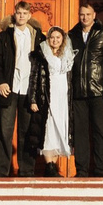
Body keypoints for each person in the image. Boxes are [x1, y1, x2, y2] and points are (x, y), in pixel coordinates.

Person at [0, 1, 43, 178]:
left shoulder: (37, 36)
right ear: (14, 14)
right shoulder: (4, 36)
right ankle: (2, 171)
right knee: (5, 130)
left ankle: (26, 170)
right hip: (9, 89)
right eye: (18, 13)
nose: (21, 16)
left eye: (25, 13)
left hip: (29, 90)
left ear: (29, 15)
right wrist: (1, 82)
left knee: (27, 132)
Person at [67, 3, 103, 177]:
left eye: (88, 14)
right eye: (82, 14)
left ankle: (100, 170)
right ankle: (82, 170)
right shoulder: (72, 35)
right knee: (80, 134)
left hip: (98, 91)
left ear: (94, 15)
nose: (84, 17)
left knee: (101, 132)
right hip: (78, 91)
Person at [37, 26, 78, 174]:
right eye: (52, 37)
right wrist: (36, 98)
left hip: (63, 96)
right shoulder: (43, 54)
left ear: (63, 40)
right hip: (49, 94)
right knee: (49, 128)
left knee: (60, 126)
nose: (55, 40)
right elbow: (37, 77)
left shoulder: (66, 56)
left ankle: (53, 165)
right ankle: (49, 165)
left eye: (58, 38)